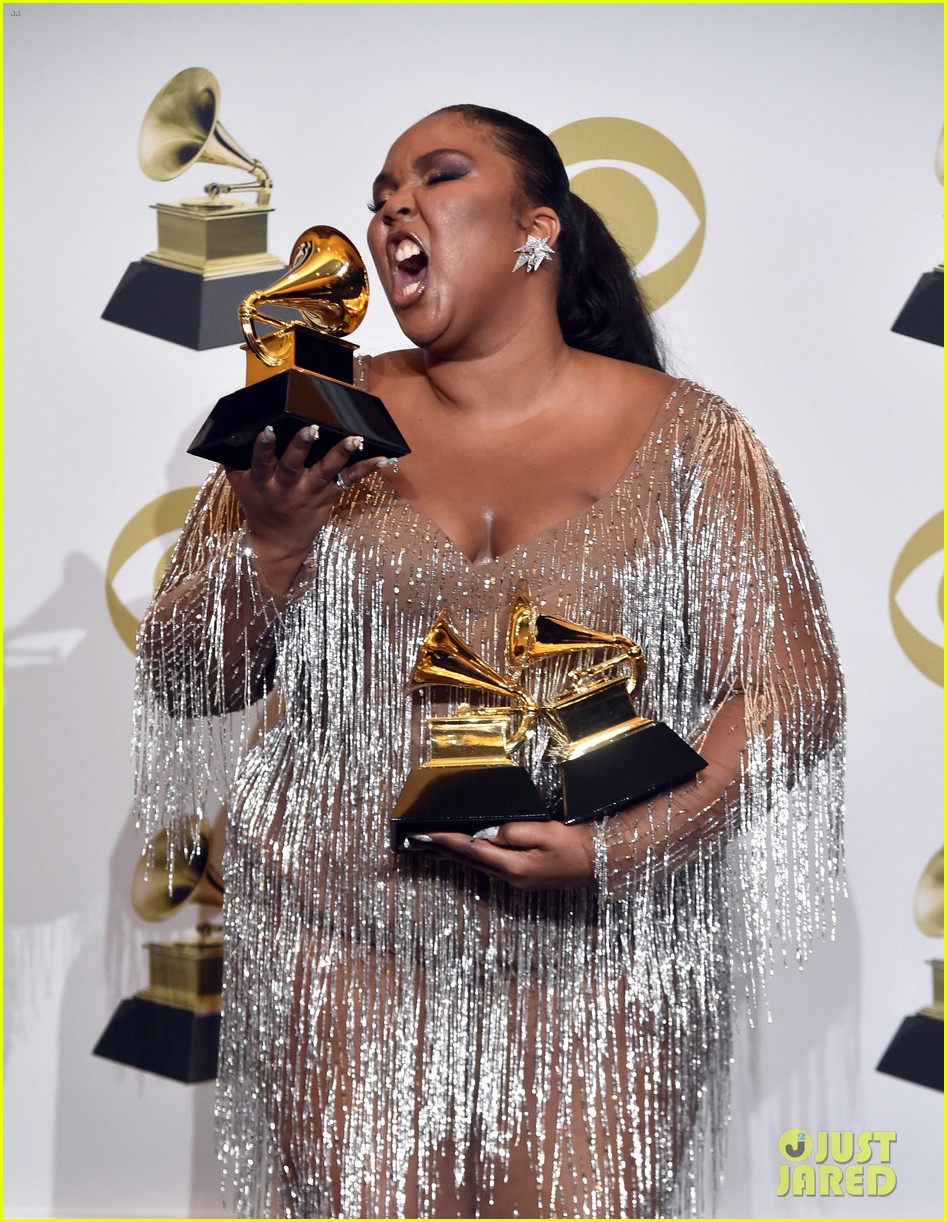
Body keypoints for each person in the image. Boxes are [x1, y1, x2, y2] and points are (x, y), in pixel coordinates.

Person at [135, 104, 845, 1218]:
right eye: (380, 194)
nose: (392, 209)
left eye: (437, 175)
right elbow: (184, 676)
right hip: (340, 941)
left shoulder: (694, 437)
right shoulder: (318, 416)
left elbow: (790, 688)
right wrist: (270, 541)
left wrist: (621, 847)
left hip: (600, 960)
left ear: (535, 229)